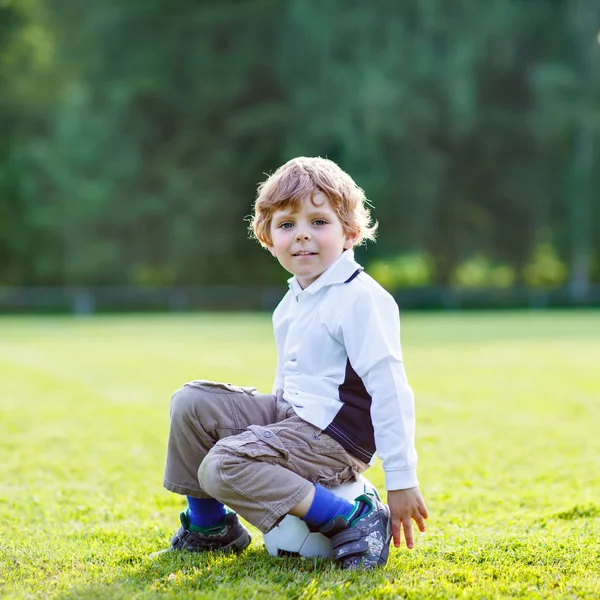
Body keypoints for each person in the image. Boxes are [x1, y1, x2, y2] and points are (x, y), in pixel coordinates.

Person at [158, 156, 428, 570]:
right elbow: (289, 381)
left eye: (318, 222)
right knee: (191, 402)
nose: (302, 235)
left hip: (335, 439)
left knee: (223, 465)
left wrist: (402, 478)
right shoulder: (291, 302)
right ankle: (210, 529)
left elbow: (389, 389)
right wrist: (265, 436)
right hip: (293, 418)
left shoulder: (361, 300)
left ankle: (352, 517)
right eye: (287, 225)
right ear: (268, 238)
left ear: (350, 232)